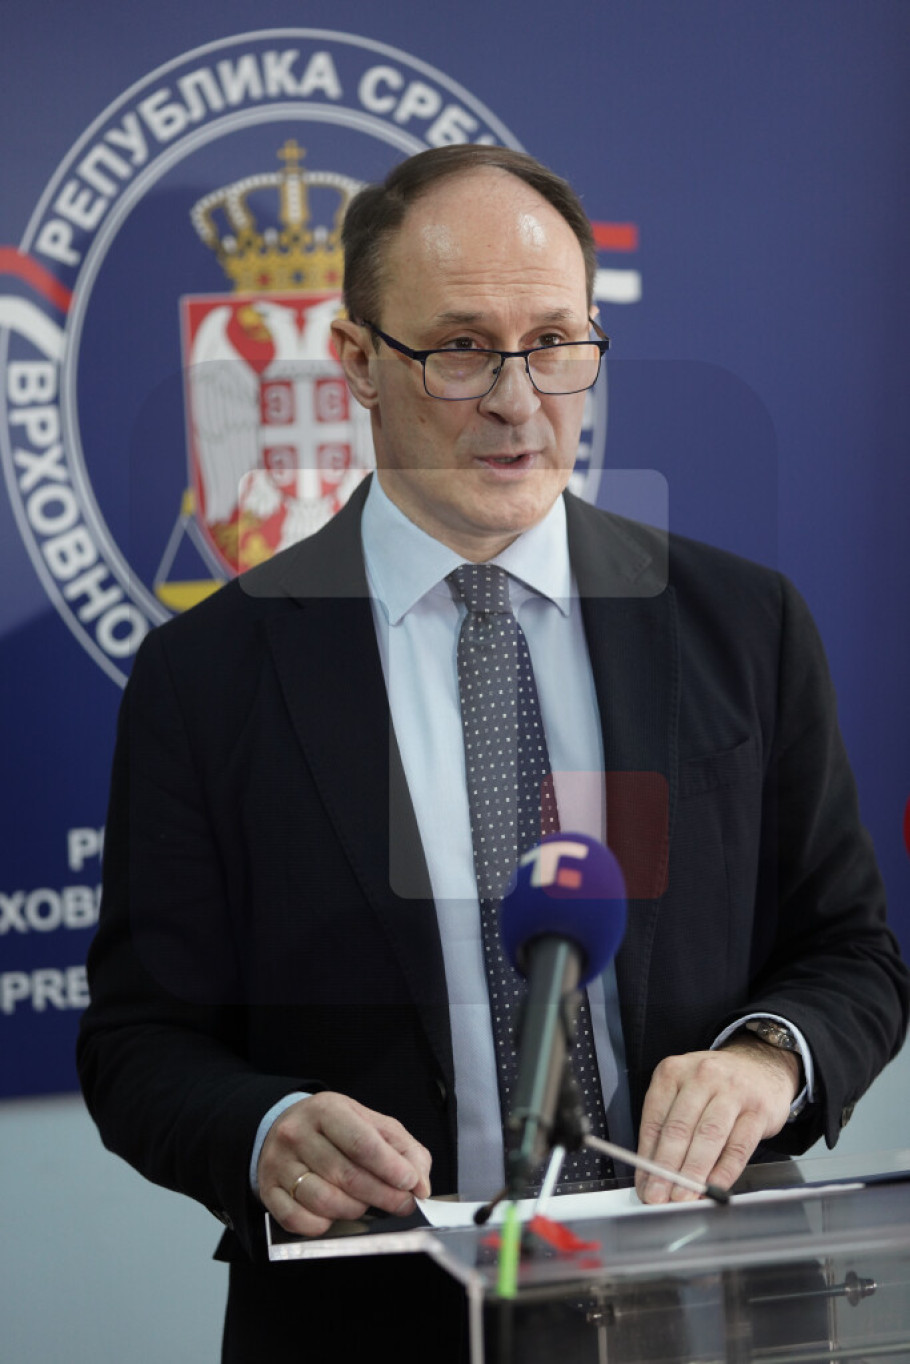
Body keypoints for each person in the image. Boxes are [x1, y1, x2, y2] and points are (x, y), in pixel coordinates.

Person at [77, 144, 908, 1361]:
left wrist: (766, 1058)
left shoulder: (744, 625)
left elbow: (850, 954)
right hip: (370, 1325)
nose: (520, 401)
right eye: (462, 348)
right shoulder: (207, 676)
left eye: (556, 342)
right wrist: (265, 1129)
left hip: (713, 1307)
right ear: (356, 359)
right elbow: (136, 1041)